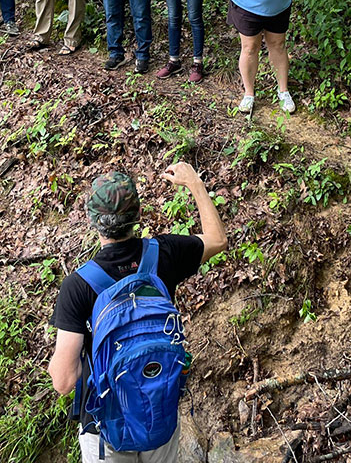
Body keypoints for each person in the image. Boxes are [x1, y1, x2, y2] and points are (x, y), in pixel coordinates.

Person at [48, 163, 227, 463]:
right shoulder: (165, 254)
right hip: (159, 410)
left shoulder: (78, 286)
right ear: (138, 215)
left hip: (107, 428)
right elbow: (218, 239)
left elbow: (63, 382)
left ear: (93, 221)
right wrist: (195, 183)